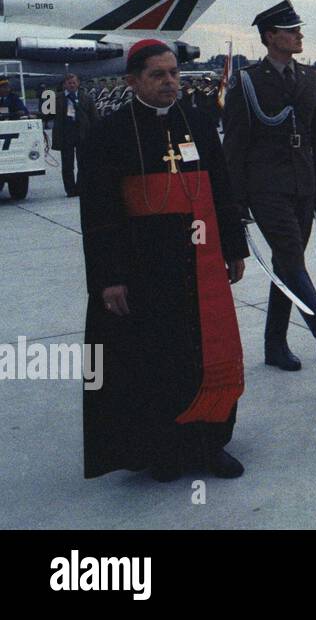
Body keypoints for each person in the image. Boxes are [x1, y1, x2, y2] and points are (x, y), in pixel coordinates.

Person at [80, 39, 248, 481]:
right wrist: (109, 278)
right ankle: (165, 449)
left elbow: (222, 187)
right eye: (158, 75)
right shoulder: (109, 133)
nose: (170, 82)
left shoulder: (197, 121)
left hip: (201, 264)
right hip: (145, 269)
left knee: (205, 353)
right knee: (158, 360)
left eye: (173, 73)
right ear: (132, 80)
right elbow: (98, 213)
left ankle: (211, 443)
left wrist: (234, 248)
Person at [222, 0, 316, 370]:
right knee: (292, 258)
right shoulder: (248, 81)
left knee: (286, 265)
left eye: (298, 29)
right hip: (265, 186)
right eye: (291, 30)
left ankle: (274, 345)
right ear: (270, 37)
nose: (299, 35)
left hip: (303, 185)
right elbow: (234, 144)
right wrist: (235, 201)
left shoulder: (309, 77)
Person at [51, 73, 100, 196]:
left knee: (83, 163)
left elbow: (94, 117)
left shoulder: (86, 98)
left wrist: (96, 133)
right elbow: (48, 115)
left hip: (82, 134)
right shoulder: (57, 99)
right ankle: (70, 189)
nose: (72, 85)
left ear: (78, 83)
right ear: (64, 85)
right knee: (67, 165)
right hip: (66, 134)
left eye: (74, 82)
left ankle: (81, 187)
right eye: (69, 83)